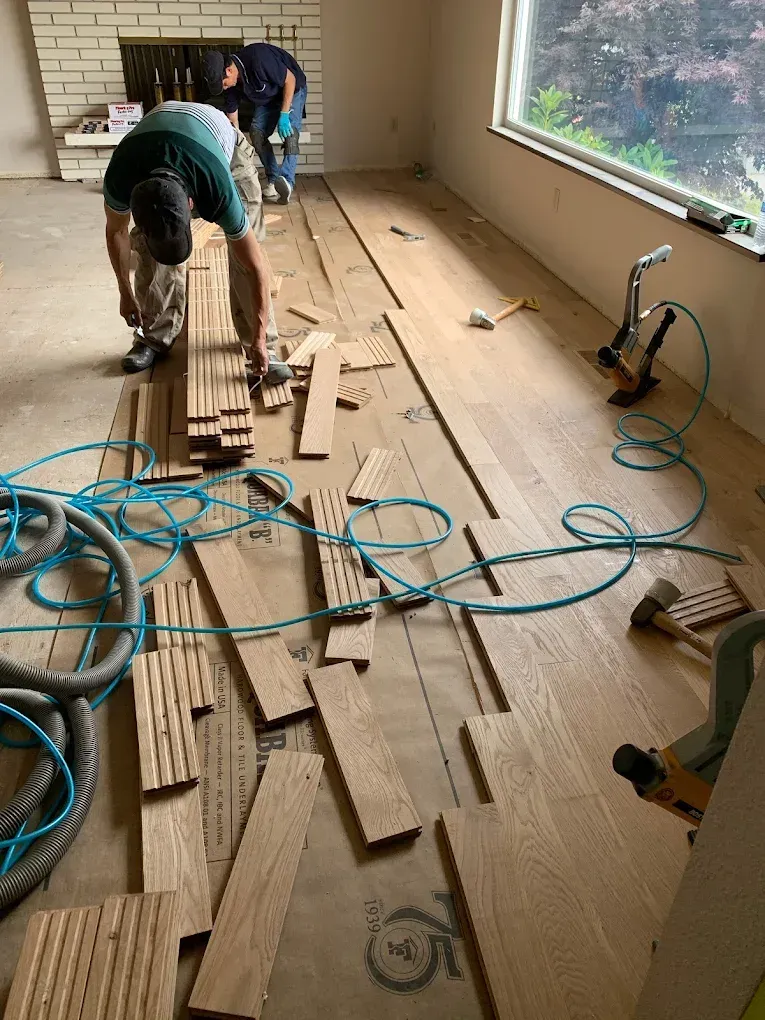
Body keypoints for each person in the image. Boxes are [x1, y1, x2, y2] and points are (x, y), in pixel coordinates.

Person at [103, 100, 292, 380]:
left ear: (192, 203)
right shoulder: (120, 176)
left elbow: (255, 267)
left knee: (244, 249)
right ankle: (153, 336)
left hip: (221, 142)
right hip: (159, 137)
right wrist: (124, 293)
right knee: (151, 247)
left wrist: (261, 338)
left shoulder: (218, 189)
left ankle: (260, 345)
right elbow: (116, 232)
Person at [202, 45, 307, 206]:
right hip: (268, 99)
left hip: (292, 89)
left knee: (290, 134)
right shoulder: (232, 85)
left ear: (229, 70)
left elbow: (290, 79)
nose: (225, 87)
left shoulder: (259, 59)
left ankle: (287, 181)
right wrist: (236, 144)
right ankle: (273, 179)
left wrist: (284, 114)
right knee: (256, 133)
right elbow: (233, 118)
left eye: (223, 83)